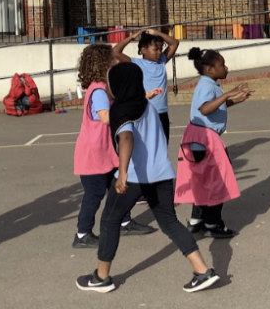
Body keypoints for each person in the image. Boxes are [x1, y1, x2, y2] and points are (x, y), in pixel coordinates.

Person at [76, 63, 219, 293]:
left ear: (118, 85)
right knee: (170, 222)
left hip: (134, 177)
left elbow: (126, 138)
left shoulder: (121, 109)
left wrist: (122, 172)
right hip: (162, 175)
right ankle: (203, 271)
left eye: (110, 82)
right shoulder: (146, 106)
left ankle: (101, 277)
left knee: (109, 221)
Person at [72, 45, 156, 249]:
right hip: (94, 152)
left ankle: (124, 222)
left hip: (107, 150)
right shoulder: (99, 90)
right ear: (102, 63)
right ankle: (82, 234)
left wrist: (141, 97)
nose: (116, 61)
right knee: (95, 194)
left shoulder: (105, 87)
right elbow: (105, 117)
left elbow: (121, 103)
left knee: (119, 187)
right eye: (112, 59)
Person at [175, 48, 253, 238]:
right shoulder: (207, 86)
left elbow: (215, 105)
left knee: (202, 180)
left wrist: (235, 100)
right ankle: (212, 223)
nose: (226, 68)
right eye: (222, 65)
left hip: (199, 137)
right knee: (217, 180)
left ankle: (197, 220)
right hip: (205, 139)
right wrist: (227, 95)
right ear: (209, 69)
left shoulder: (209, 84)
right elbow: (205, 109)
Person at [111, 28, 179, 141]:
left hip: (162, 113)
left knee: (163, 146)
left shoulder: (162, 61)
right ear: (143, 50)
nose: (159, 52)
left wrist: (157, 33)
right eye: (155, 49)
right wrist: (131, 38)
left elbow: (174, 43)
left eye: (161, 49)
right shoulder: (136, 63)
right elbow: (115, 52)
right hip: (145, 114)